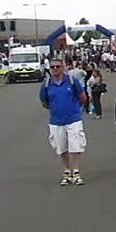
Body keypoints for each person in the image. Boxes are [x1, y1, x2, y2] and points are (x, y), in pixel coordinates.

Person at [40, 57, 90, 186]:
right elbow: (44, 102)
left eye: (57, 66)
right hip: (56, 121)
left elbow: (82, 97)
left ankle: (76, 171)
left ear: (63, 68)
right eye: (52, 67)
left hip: (73, 119)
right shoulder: (46, 84)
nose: (55, 69)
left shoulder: (72, 81)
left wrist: (75, 109)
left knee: (76, 145)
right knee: (61, 147)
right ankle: (67, 171)